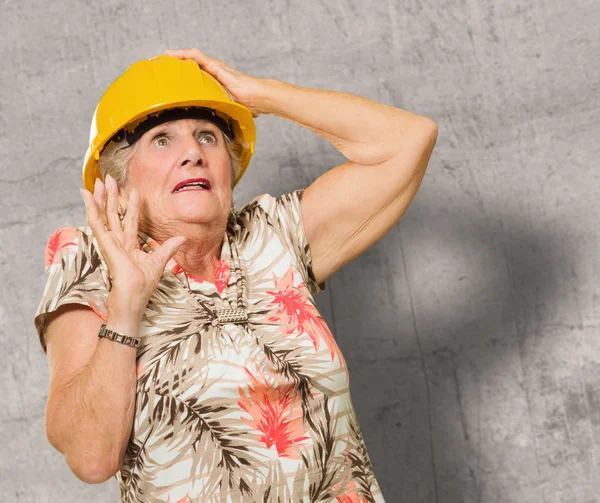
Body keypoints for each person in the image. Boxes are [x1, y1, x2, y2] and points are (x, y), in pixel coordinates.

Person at [34, 48, 438, 502]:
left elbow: (410, 139)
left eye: (208, 136)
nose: (192, 153)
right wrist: (127, 303)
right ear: (119, 183)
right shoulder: (91, 261)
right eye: (162, 140)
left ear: (231, 165)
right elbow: (91, 458)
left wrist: (259, 95)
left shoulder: (274, 235)